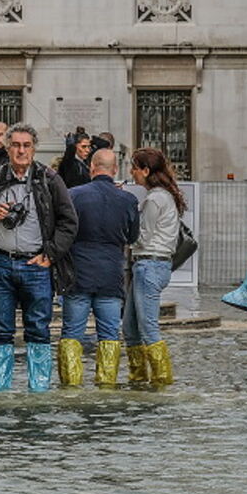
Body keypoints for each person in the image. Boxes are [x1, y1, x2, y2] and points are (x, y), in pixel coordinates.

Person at [0, 123, 79, 391]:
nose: (21, 150)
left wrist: (50, 255)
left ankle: (39, 389)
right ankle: (0, 389)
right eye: (15, 145)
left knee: (39, 328)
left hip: (36, 264)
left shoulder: (49, 179)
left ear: (34, 148)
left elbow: (69, 222)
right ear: (7, 148)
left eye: (26, 145)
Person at [58, 149, 140, 387]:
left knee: (72, 333)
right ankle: (106, 384)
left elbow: (65, 231)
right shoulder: (128, 200)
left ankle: (71, 384)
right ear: (115, 170)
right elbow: (133, 236)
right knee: (109, 335)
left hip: (79, 274)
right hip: (110, 276)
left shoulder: (74, 195)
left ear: (92, 168)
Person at [123, 148, 185, 386]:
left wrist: (124, 233)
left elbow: (142, 236)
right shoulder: (163, 195)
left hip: (149, 264)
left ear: (146, 171)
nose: (132, 172)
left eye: (135, 167)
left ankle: (161, 379)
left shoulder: (154, 198)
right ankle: (138, 377)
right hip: (150, 265)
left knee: (148, 327)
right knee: (130, 326)